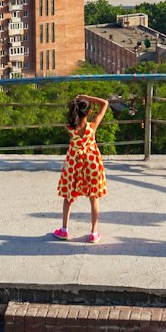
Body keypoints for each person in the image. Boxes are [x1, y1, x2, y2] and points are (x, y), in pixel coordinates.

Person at [53, 93, 109, 242]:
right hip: (91, 163)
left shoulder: (70, 128)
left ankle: (64, 230)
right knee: (93, 197)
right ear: (89, 112)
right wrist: (87, 97)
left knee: (68, 196)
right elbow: (105, 103)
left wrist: (78, 101)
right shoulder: (93, 126)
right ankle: (93, 232)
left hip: (74, 162)